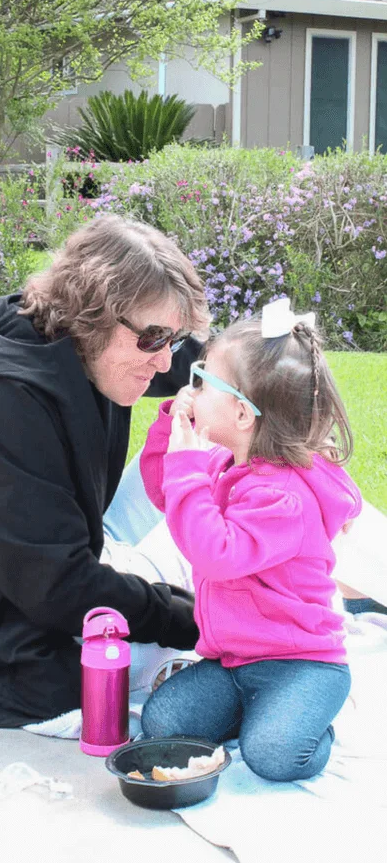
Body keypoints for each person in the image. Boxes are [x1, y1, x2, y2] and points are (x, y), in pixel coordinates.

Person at [0, 214, 212, 728]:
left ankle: (321, 587)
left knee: (256, 460)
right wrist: (199, 619)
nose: (163, 361)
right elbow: (60, 588)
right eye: (153, 339)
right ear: (93, 312)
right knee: (170, 689)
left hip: (64, 548)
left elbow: (199, 362)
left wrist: (263, 371)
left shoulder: (79, 337)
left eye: (171, 340)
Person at [139, 299, 359, 782]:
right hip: (234, 661)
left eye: (203, 380)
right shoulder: (227, 465)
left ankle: (306, 725)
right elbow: (165, 493)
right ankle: (258, 715)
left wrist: (188, 467)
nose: (190, 388)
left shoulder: (282, 498)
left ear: (242, 414)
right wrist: (170, 434)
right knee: (163, 724)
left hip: (301, 664)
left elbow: (216, 555)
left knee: (275, 757)